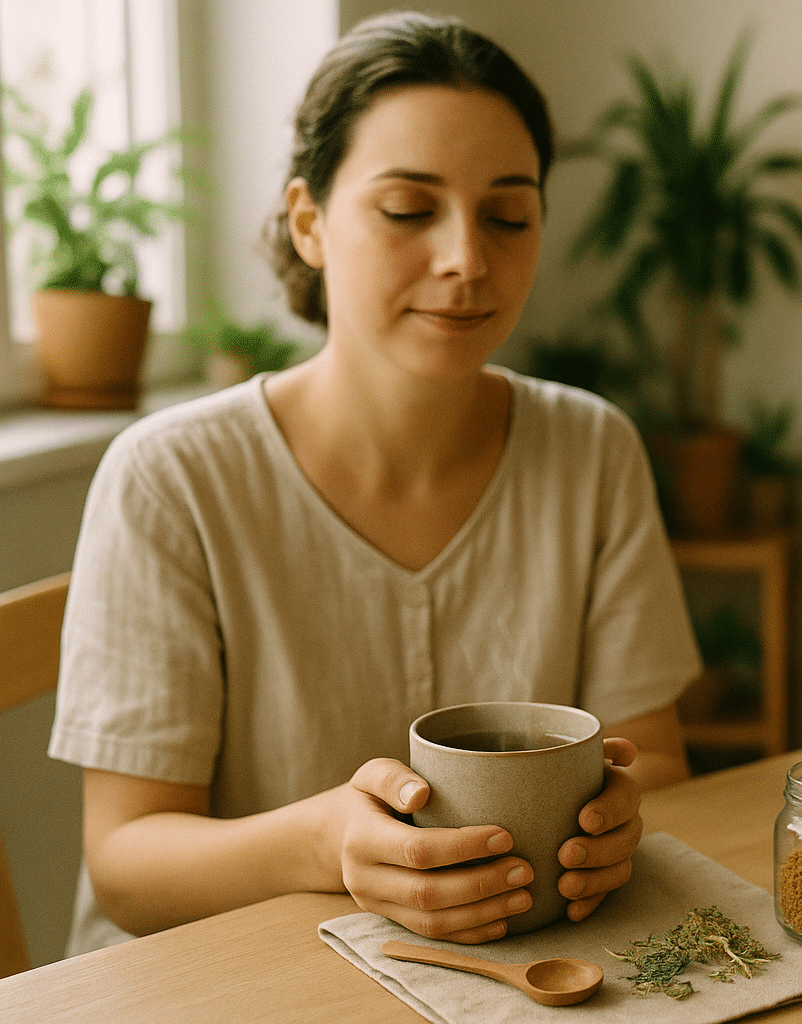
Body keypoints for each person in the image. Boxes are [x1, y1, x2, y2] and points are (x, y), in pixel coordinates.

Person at [49, 12, 700, 956]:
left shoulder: (591, 449)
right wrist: (322, 842)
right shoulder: (172, 479)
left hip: (503, 977)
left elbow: (663, 762)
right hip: (227, 985)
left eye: (509, 215)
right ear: (309, 222)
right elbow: (126, 865)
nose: (467, 259)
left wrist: (619, 826)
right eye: (408, 210)